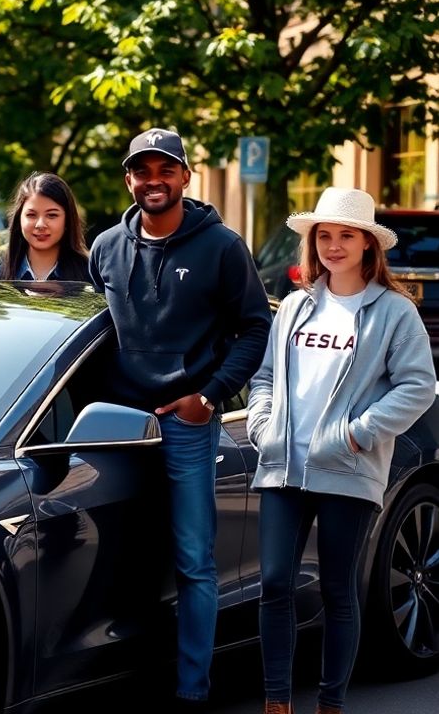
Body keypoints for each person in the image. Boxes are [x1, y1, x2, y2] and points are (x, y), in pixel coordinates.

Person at [88, 127, 271, 710]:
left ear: (185, 177)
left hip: (186, 424)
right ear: (129, 180)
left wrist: (211, 396)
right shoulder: (105, 247)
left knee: (194, 560)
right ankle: (119, 674)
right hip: (115, 427)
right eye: (142, 171)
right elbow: (95, 336)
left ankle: (193, 690)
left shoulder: (221, 246)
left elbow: (255, 329)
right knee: (117, 553)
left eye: (165, 170)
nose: (153, 181)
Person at [247, 188, 435, 714]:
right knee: (275, 584)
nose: (333, 245)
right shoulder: (295, 307)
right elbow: (264, 377)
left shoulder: (394, 313)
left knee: (336, 590)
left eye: (345, 235)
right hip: (284, 465)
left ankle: (331, 703)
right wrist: (263, 425)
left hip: (347, 468)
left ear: (368, 244)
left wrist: (356, 434)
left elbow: (418, 386)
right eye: (324, 236)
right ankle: (276, 703)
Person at [0, 172, 91, 282]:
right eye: (31, 215)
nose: (40, 225)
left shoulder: (92, 277)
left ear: (68, 220)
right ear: (19, 220)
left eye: (52, 215)